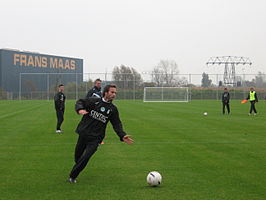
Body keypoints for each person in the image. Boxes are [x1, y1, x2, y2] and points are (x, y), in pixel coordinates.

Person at [68, 84, 133, 183]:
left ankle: (72, 176)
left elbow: (117, 124)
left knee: (86, 157)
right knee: (78, 157)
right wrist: (80, 109)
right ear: (106, 92)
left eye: (115, 92)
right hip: (84, 133)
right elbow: (80, 101)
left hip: (96, 138)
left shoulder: (113, 109)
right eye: (112, 92)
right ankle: (78, 166)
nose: (114, 94)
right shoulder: (94, 101)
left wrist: (122, 135)